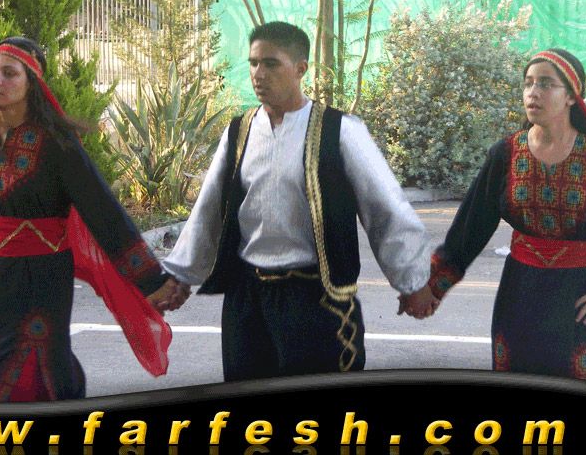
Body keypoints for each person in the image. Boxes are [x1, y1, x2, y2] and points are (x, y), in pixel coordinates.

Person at [159, 21, 438, 381]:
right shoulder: (238, 132)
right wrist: (179, 276)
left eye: (271, 63)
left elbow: (387, 210)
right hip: (247, 304)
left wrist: (413, 282)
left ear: (300, 68)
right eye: (253, 63)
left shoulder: (341, 131)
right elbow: (209, 212)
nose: (259, 74)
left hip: (315, 302)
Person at [0, 36, 180, 401]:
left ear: (32, 84)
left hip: (41, 277)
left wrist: (152, 280)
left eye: (9, 73)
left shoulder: (57, 143)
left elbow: (102, 211)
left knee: (34, 369)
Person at [427, 48, 586, 381]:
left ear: (571, 96)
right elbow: (470, 228)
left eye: (546, 84)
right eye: (528, 83)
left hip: (582, 302)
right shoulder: (506, 153)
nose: (533, 92)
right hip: (520, 298)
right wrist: (431, 288)